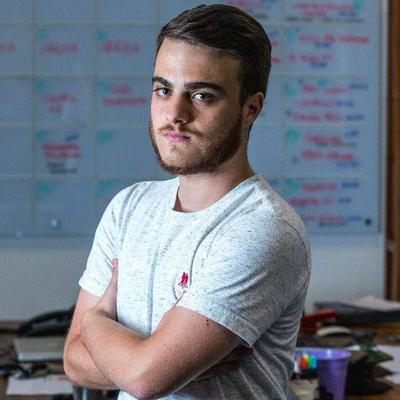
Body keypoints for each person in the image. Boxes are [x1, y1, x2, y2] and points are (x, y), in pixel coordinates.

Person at [64, 4, 311, 399]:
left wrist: (94, 323)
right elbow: (74, 360)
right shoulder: (129, 208)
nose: (175, 114)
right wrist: (148, 359)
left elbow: (146, 379)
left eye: (201, 95)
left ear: (251, 108)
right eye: (164, 90)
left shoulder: (263, 229)